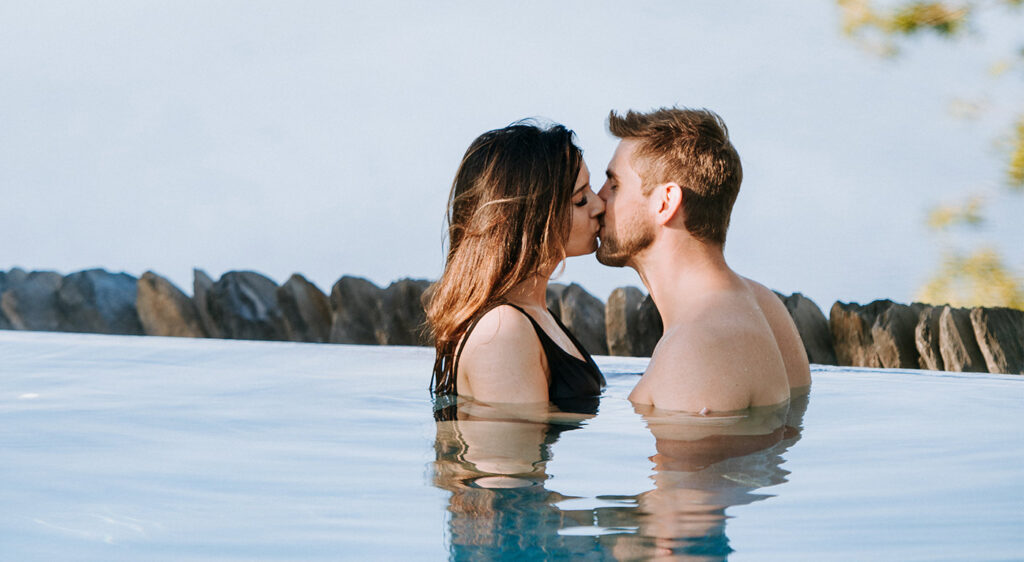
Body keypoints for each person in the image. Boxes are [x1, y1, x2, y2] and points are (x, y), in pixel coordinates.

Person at [596, 107, 811, 413]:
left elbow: (699, 462)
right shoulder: (764, 305)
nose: (597, 199)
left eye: (614, 185)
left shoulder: (694, 349)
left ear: (666, 202)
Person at [427, 121, 606, 411]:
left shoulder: (534, 316)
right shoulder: (503, 331)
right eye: (581, 199)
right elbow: (511, 453)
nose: (599, 206)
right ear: (531, 218)